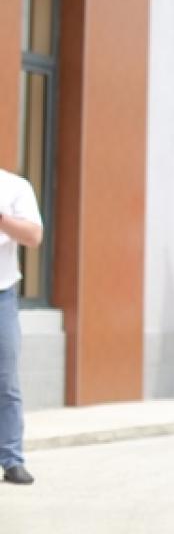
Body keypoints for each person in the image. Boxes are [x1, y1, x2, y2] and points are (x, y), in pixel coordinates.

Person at [0, 168, 43, 486]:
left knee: (5, 380)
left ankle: (12, 460)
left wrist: (2, 219)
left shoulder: (14, 186)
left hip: (1, 295)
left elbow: (33, 236)